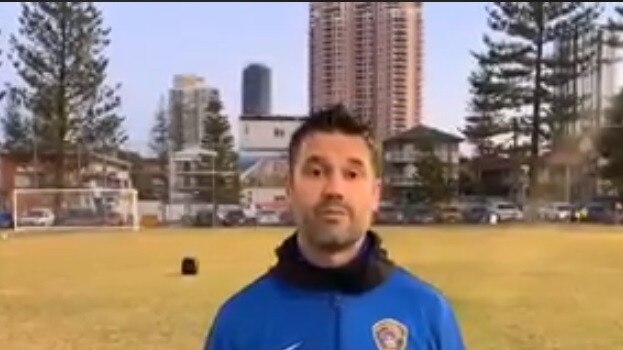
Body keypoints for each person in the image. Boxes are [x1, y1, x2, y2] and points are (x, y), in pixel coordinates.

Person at [203, 106, 466, 350]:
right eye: (316, 172)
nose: (334, 190)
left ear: (375, 194)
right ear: (289, 188)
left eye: (352, 174)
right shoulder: (240, 322)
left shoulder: (428, 313)